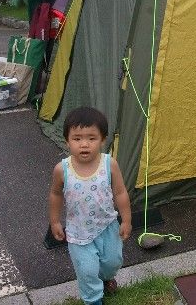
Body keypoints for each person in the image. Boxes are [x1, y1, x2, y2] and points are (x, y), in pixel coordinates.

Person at [49, 107, 132, 305]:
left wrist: (126, 220)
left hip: (107, 226)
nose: (84, 144)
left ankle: (106, 279)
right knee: (87, 270)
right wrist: (54, 222)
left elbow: (120, 192)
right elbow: (55, 194)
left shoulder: (109, 164)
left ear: (103, 140)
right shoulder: (62, 169)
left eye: (91, 138)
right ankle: (93, 299)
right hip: (78, 233)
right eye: (77, 139)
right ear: (67, 141)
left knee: (113, 262)